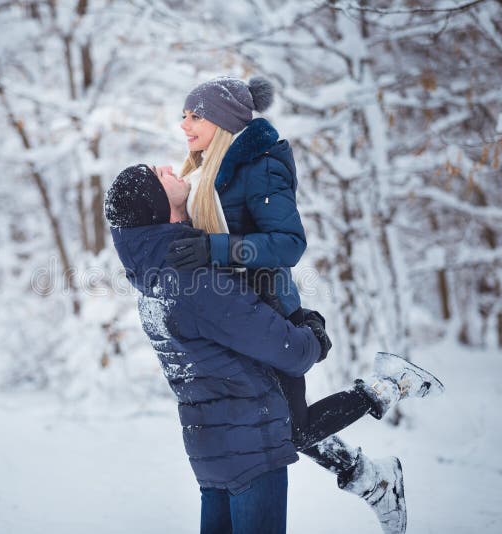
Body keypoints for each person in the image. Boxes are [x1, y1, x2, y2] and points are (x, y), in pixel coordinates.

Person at [162, 76, 445, 534]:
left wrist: (216, 250)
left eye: (196, 115)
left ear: (225, 121)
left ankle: (389, 389)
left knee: (287, 431)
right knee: (275, 431)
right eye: (184, 114)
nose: (184, 124)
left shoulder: (259, 166)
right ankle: (374, 481)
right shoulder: (202, 172)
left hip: (269, 317)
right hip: (237, 318)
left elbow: (288, 244)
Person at [104, 164, 443, 534]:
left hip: (211, 452)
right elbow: (292, 352)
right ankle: (389, 390)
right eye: (158, 174)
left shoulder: (152, 283)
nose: (169, 167)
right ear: (156, 206)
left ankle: (377, 450)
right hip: (251, 452)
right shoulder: (194, 283)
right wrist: (313, 332)